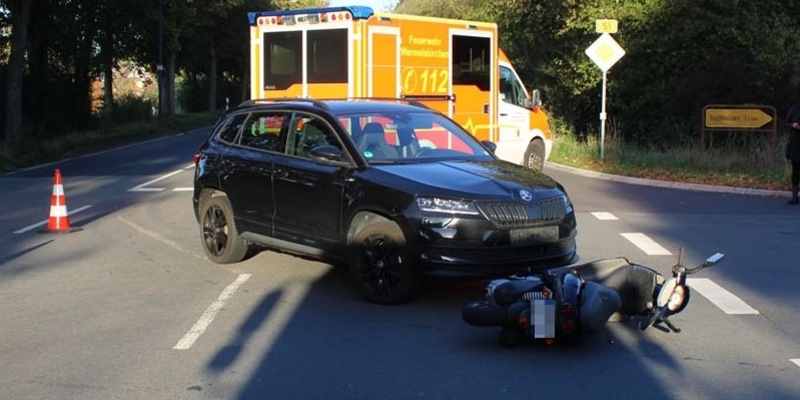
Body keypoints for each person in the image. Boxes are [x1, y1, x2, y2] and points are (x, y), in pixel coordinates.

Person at [786, 103, 800, 204]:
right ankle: (795, 196)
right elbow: (786, 123)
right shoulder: (795, 109)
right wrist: (793, 125)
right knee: (796, 170)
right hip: (796, 144)